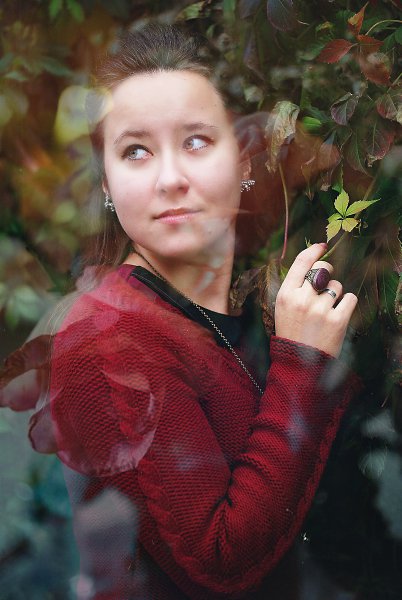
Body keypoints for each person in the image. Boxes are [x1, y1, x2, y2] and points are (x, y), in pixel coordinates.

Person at [1, 23, 360, 600]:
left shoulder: (242, 303)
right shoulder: (108, 343)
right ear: (108, 181)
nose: (170, 179)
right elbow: (217, 562)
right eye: (136, 151)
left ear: (245, 162)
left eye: (195, 141)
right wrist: (304, 364)